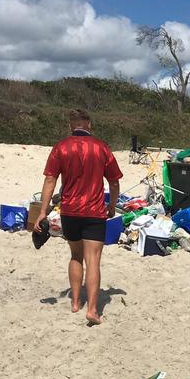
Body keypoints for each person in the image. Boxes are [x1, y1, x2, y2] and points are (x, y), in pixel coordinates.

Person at [35, 109, 123, 325]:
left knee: (76, 256)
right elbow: (113, 182)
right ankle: (92, 310)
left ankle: (75, 302)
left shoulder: (61, 147)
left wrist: (43, 212)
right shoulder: (102, 148)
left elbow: (50, 180)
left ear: (70, 127)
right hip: (94, 211)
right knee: (93, 260)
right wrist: (111, 206)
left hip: (70, 211)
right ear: (89, 125)